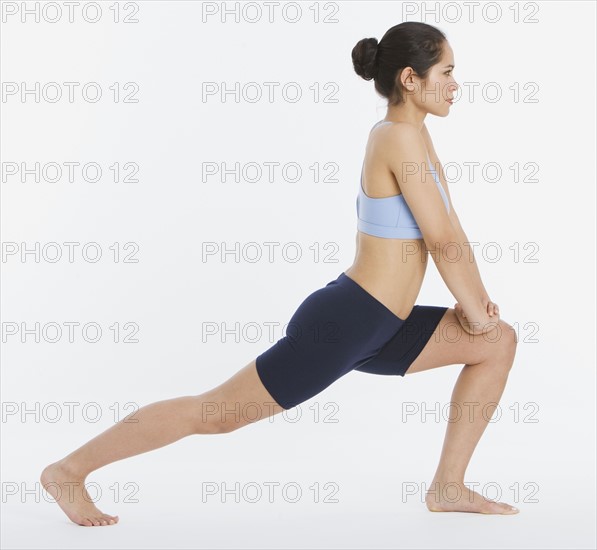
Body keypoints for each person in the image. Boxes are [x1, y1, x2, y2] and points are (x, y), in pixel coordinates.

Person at [40, 21, 519, 526]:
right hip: (348, 323)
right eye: (446, 72)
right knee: (215, 414)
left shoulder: (416, 137)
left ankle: (447, 486)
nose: (455, 84)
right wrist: (472, 311)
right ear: (410, 79)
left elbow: (451, 230)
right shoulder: (396, 138)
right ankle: (69, 470)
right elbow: (440, 242)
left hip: (384, 326)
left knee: (496, 342)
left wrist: (480, 309)